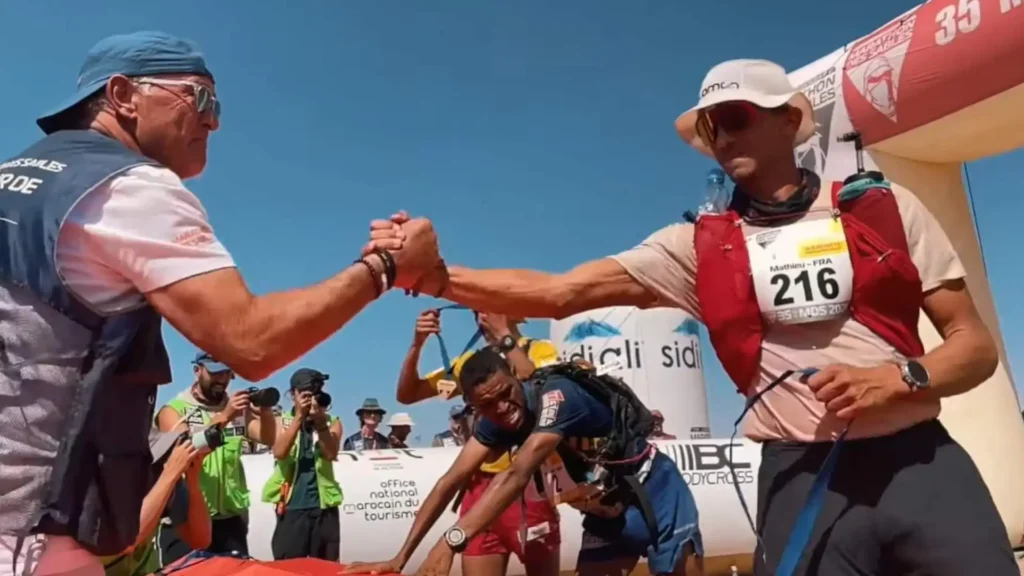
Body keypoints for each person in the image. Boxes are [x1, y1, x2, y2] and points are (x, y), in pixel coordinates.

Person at [364, 59, 1016, 575]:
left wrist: (901, 377)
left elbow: (974, 348)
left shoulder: (883, 208)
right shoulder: (694, 246)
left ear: (789, 121)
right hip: (799, 474)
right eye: (711, 128)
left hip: (922, 464)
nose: (722, 137)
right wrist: (437, 275)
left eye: (735, 118)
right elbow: (562, 292)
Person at [0, 29, 441, 574]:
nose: (215, 121)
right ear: (122, 96)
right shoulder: (128, 186)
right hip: (29, 544)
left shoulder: (15, 183)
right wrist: (389, 269)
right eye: (200, 98)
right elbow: (251, 343)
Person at [346, 349, 704, 576]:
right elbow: (450, 481)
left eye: (506, 393)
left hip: (658, 497)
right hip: (605, 515)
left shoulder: (557, 396)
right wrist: (400, 558)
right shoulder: (493, 418)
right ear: (473, 406)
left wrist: (450, 541)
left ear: (518, 380)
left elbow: (518, 474)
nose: (502, 408)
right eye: (488, 404)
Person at [400, 310, 562, 576]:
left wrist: (506, 338)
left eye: (489, 307)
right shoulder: (471, 363)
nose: (481, 316)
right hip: (479, 489)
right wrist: (418, 344)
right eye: (476, 310)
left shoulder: (539, 349)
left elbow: (541, 389)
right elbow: (408, 394)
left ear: (514, 310)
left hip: (529, 487)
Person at [153, 353, 272, 560]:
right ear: (197, 371)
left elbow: (270, 438)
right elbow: (187, 451)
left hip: (229, 520)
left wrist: (265, 409)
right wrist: (225, 417)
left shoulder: (238, 409)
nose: (222, 380)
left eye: (227, 373)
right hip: (186, 519)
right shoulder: (174, 410)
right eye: (215, 373)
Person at [100, 435, 212, 576]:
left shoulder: (163, 480)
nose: (162, 464)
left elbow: (200, 540)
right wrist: (169, 474)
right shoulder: (101, 489)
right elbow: (127, 542)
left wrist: (193, 482)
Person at [262, 368, 343, 561]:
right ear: (293, 395)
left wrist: (320, 422)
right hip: (292, 506)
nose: (311, 399)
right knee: (288, 568)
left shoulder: (332, 422)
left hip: (324, 508)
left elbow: (330, 453)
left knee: (326, 569)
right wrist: (299, 417)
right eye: (306, 394)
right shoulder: (281, 421)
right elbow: (279, 452)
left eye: (316, 393)